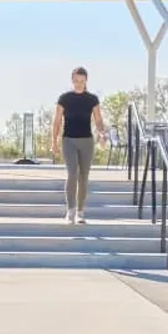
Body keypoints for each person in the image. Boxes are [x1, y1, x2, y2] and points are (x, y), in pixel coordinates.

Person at [52, 66, 107, 224]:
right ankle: (70, 211)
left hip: (87, 141)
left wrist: (101, 133)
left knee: (83, 177)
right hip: (68, 140)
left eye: (82, 81)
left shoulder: (92, 99)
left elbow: (98, 120)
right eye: (76, 80)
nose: (79, 83)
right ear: (72, 80)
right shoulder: (64, 98)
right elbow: (57, 121)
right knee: (72, 173)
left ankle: (80, 212)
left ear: (86, 81)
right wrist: (54, 142)